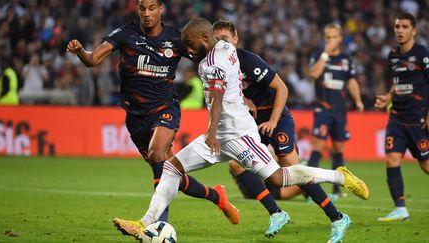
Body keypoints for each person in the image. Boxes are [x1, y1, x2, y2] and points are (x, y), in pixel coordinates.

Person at [127, 17, 369, 241]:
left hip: (239, 135)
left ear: (204, 38)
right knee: (171, 167)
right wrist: (242, 100)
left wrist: (210, 133)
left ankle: (339, 176)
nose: (188, 51)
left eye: (190, 44)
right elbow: (232, 83)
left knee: (279, 177)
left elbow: (219, 98)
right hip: (221, 136)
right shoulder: (226, 49)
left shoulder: (213, 62)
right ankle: (145, 222)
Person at [67, 0, 240, 237]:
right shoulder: (125, 34)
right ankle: (216, 196)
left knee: (158, 154)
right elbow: (93, 60)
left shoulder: (176, 39)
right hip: (136, 117)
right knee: (170, 173)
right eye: (142, 9)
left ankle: (156, 227)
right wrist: (80, 52)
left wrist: (239, 90)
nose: (147, 14)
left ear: (161, 10)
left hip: (165, 108)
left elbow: (210, 60)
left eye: (151, 8)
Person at [212, 20, 354, 242]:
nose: (220, 43)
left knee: (291, 166)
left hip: (276, 117)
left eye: (225, 39)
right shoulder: (217, 65)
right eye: (217, 40)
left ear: (235, 40)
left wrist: (274, 120)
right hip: (252, 121)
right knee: (236, 164)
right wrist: (246, 100)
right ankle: (276, 213)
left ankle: (337, 217)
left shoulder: (248, 61)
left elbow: (282, 88)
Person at [375, 12, 429, 222]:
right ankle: (400, 208)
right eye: (397, 27)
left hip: (417, 120)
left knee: (425, 166)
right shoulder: (393, 55)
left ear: (414, 30)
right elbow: (397, 83)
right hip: (396, 117)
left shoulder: (422, 54)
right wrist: (387, 97)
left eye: (405, 27)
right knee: (392, 159)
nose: (400, 30)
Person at [307, 23, 364, 201]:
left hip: (340, 112)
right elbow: (314, 74)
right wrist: (325, 54)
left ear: (340, 39)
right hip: (322, 109)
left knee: (339, 149)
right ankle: (310, 190)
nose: (330, 41)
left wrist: (358, 101)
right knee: (317, 147)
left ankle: (336, 190)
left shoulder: (346, 59)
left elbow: (352, 81)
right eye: (327, 38)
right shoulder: (318, 55)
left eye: (334, 37)